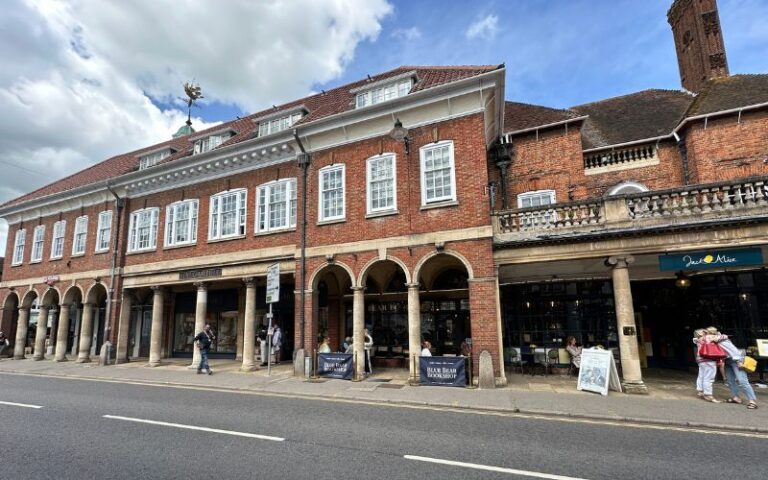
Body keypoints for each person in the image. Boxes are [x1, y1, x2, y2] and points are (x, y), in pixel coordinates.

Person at [707, 327, 758, 409]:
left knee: (742, 381)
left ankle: (752, 401)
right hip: (728, 362)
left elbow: (732, 349)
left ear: (713, 334)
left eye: (708, 334)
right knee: (730, 381)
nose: (707, 337)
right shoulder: (714, 341)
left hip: (736, 360)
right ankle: (736, 397)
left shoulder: (722, 339)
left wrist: (739, 361)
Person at [693, 328, 723, 403]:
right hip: (709, 359)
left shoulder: (697, 340)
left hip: (701, 360)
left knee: (701, 376)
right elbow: (720, 337)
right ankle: (708, 395)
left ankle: (700, 391)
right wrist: (716, 333)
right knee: (709, 377)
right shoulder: (708, 337)